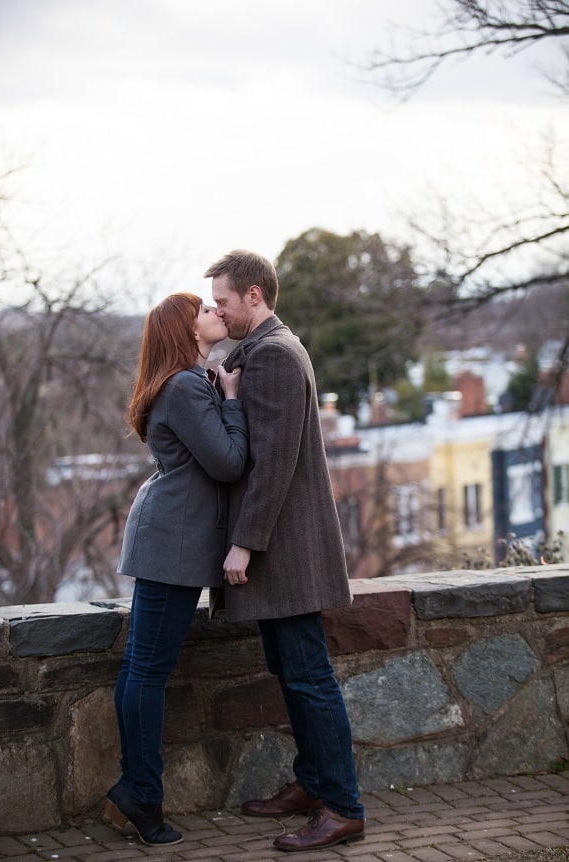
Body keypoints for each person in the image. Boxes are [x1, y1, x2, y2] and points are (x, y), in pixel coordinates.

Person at [204, 250, 365, 852]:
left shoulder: (272, 354)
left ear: (254, 295)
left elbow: (271, 463)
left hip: (283, 552)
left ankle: (342, 807)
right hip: (284, 549)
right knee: (295, 676)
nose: (218, 311)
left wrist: (243, 544)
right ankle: (313, 784)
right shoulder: (266, 349)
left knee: (309, 677)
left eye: (223, 301)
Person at [104, 292, 249, 847]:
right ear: (187, 331)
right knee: (147, 670)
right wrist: (232, 398)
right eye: (205, 311)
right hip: (173, 542)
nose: (216, 313)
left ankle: (133, 789)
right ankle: (143, 795)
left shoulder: (185, 381)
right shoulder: (187, 386)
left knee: (141, 668)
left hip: (169, 536)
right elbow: (228, 462)